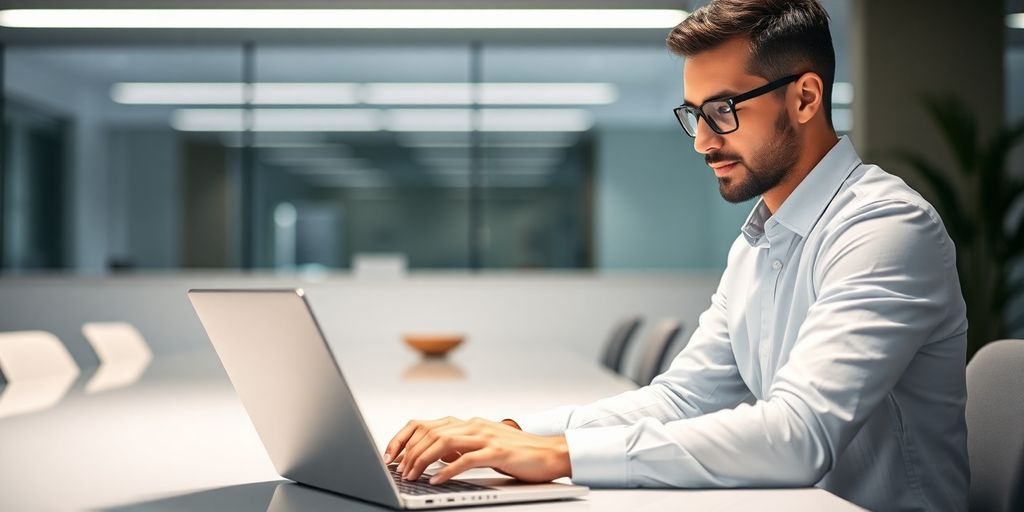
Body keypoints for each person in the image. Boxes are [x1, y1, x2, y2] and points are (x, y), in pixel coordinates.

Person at [383, 1, 969, 510]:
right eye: (694, 114)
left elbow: (798, 435)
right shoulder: (761, 238)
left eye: (723, 110)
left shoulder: (885, 227)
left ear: (805, 98)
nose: (703, 141)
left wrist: (562, 454)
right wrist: (507, 434)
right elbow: (683, 398)